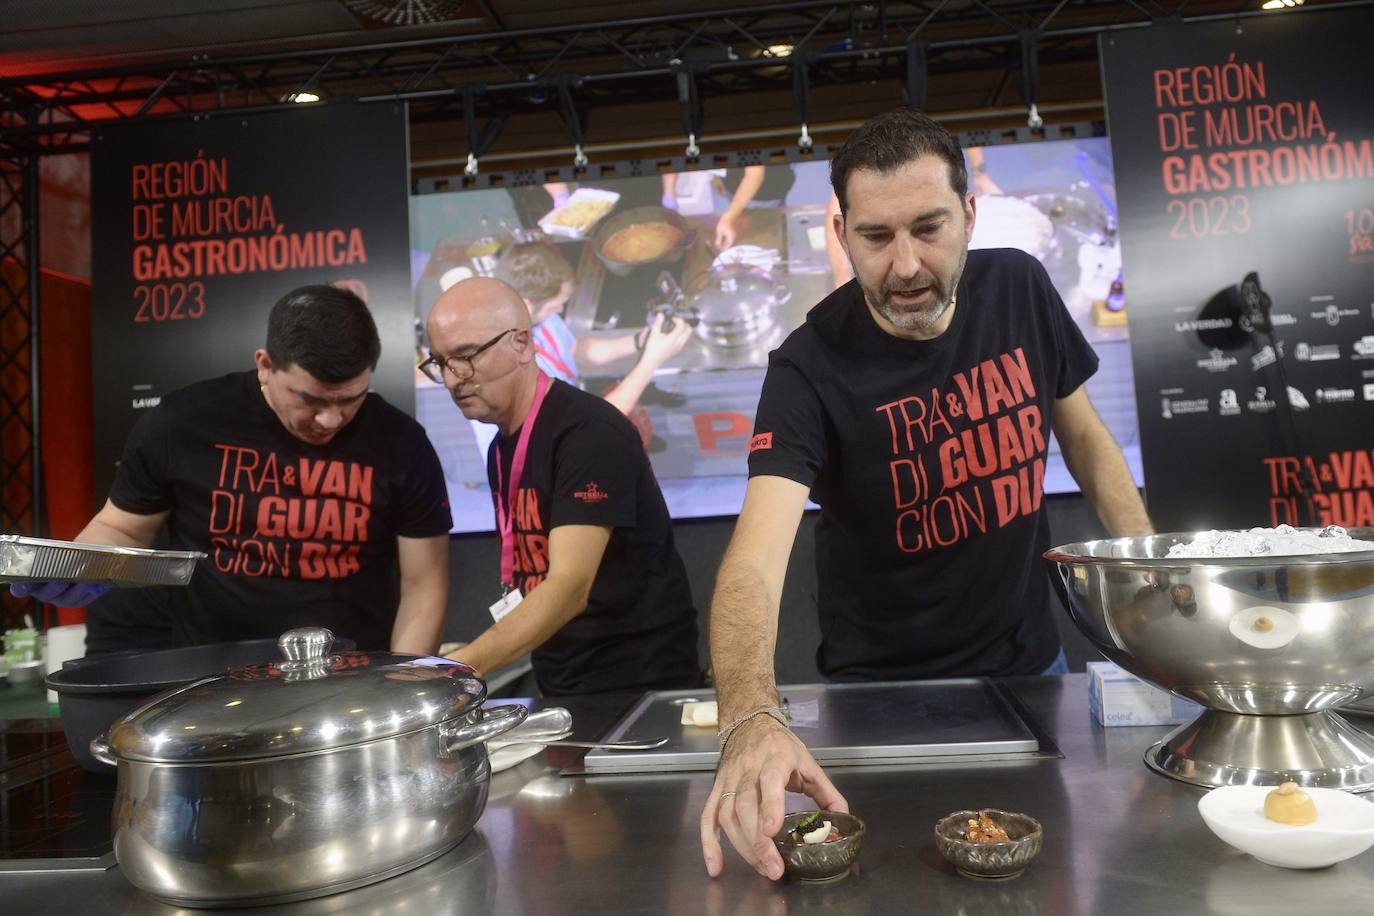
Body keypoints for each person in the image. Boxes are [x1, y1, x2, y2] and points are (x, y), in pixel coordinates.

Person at [699, 108, 1153, 880]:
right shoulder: (807, 366)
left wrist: (1146, 577)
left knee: (1040, 879)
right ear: (842, 236)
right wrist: (749, 718)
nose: (906, 265)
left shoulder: (1019, 285)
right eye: (876, 237)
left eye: (929, 228)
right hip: (880, 697)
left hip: (1028, 670)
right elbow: (754, 564)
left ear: (970, 215)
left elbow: (1082, 438)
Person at [11, 285, 453, 655]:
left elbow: (424, 584)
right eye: (311, 400)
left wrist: (402, 688)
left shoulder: (402, 443)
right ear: (265, 365)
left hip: (350, 679)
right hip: (213, 678)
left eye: (350, 399)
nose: (330, 420)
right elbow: (123, 531)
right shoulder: (184, 422)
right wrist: (76, 565)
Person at [422, 276, 701, 696]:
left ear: (521, 344)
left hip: (637, 691)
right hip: (563, 685)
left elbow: (570, 587)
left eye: (465, 356)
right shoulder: (502, 445)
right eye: (440, 362)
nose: (452, 378)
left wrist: (454, 670)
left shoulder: (587, 432)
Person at [493, 241, 692, 416]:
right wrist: (651, 361)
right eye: (554, 305)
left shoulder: (529, 317)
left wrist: (642, 340)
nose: (560, 310)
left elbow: (577, 351)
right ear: (526, 304)